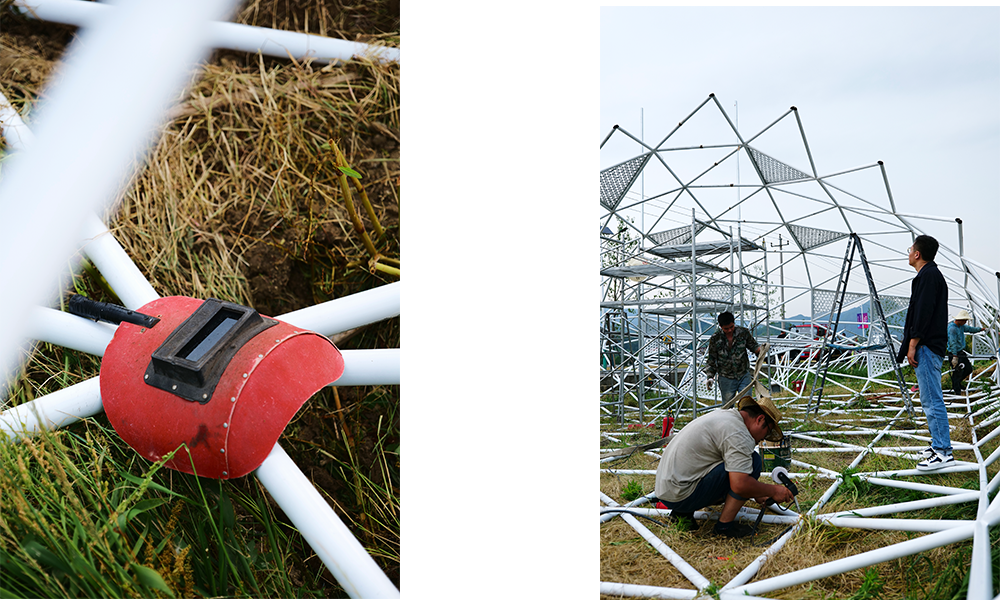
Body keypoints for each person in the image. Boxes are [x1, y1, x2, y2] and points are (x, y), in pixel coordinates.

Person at [654, 395, 794, 538]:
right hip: (682, 494)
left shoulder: (726, 417)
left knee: (740, 466)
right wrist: (773, 490)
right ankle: (724, 528)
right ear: (760, 419)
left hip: (667, 492)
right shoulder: (738, 433)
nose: (763, 439)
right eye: (768, 432)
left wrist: (758, 491)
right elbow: (740, 484)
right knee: (753, 462)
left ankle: (681, 514)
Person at [897, 235, 952, 471]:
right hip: (928, 345)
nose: (909, 253)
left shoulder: (929, 276)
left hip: (927, 346)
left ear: (917, 254)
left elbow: (923, 312)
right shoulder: (928, 275)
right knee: (929, 397)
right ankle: (937, 444)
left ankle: (943, 451)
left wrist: (913, 343)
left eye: (911, 249)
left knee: (931, 399)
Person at [705, 311, 763, 406]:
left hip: (743, 374)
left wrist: (761, 350)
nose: (729, 330)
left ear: (734, 323)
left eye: (731, 327)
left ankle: (744, 421)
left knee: (747, 405)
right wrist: (710, 377)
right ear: (720, 326)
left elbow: (754, 346)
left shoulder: (743, 333)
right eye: (726, 328)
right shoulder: (715, 338)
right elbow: (711, 359)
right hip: (726, 377)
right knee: (728, 407)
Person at [946, 309, 982, 397]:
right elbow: (952, 343)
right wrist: (955, 356)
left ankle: (957, 384)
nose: (966, 322)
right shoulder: (952, 329)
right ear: (960, 320)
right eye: (965, 320)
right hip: (955, 353)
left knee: (968, 369)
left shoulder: (961, 326)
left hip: (960, 352)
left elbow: (970, 329)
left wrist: (980, 329)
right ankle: (957, 393)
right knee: (957, 372)